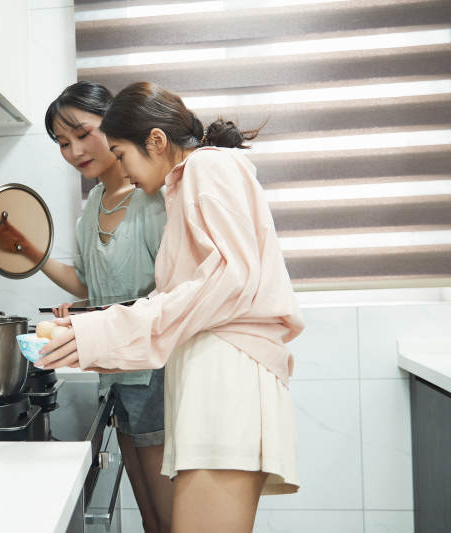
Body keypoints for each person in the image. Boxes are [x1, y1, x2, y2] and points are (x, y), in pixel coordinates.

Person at [36, 81, 304, 533]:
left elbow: (228, 280)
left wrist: (102, 332)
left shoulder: (207, 167)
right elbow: (190, 291)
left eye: (121, 154)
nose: (122, 169)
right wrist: (95, 335)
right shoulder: (187, 181)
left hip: (226, 377)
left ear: (156, 141)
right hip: (212, 378)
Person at [0, 81, 173, 533]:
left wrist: (96, 315)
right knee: (151, 519)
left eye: (82, 133)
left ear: (112, 124)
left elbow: (172, 293)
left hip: (155, 374)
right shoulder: (92, 204)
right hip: (114, 372)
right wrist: (32, 255)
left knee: (170, 519)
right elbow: (90, 284)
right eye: (62, 142)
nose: (74, 151)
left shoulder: (153, 199)